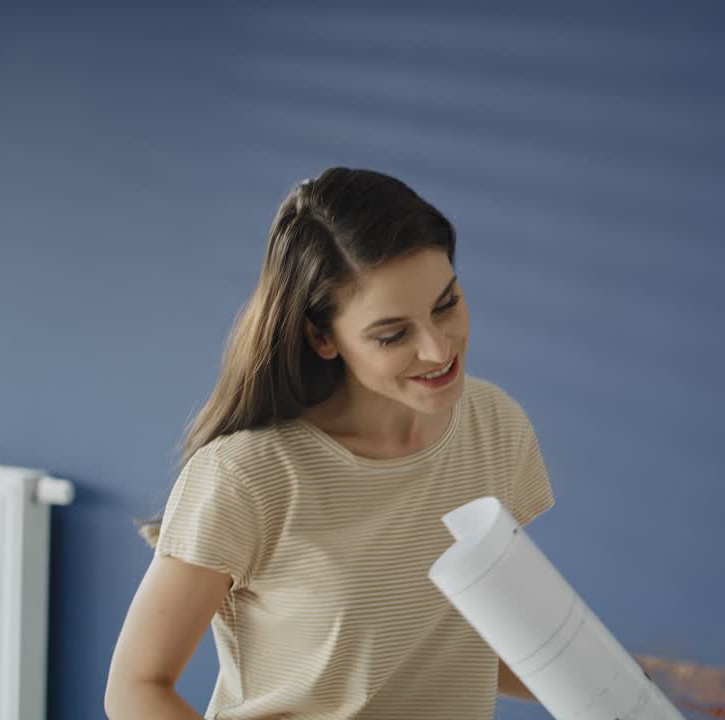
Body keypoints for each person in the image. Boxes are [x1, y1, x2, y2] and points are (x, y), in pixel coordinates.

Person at [104, 167, 555, 718]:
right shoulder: (248, 476)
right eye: (393, 334)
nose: (439, 350)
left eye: (446, 304)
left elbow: (470, 639)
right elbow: (136, 688)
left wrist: (640, 688)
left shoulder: (495, 427)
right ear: (322, 337)